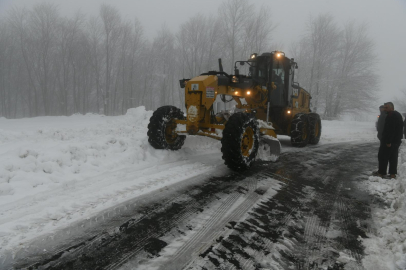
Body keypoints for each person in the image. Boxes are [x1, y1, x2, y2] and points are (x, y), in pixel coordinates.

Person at [373, 102, 404, 178]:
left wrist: (388, 141)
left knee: (383, 156)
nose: (384, 109)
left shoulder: (391, 115)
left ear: (391, 107)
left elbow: (390, 130)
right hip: (396, 141)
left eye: (386, 107)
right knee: (393, 157)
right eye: (384, 107)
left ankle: (381, 172)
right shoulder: (398, 114)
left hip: (389, 141)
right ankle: (392, 174)